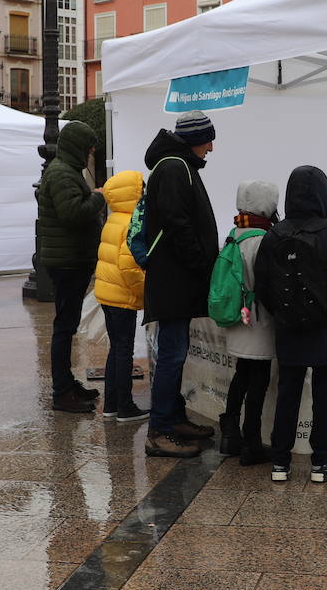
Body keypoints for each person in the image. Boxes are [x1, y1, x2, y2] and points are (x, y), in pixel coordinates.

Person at [256, 165, 327, 484]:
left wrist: (282, 313)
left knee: (287, 392)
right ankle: (320, 463)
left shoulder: (275, 233)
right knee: (322, 395)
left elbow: (262, 285)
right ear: (322, 195)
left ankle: (279, 463)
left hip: (289, 330)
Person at [141, 111, 220, 459]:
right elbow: (177, 225)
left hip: (176, 280)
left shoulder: (177, 164)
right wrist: (200, 263)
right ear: (195, 139)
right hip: (175, 280)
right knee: (172, 356)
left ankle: (173, 419)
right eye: (208, 139)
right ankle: (159, 430)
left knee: (175, 353)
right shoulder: (175, 167)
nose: (212, 147)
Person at [38, 120, 108, 413]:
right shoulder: (61, 173)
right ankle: (61, 392)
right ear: (78, 146)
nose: (91, 152)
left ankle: (67, 384)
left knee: (66, 326)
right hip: (67, 261)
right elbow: (72, 213)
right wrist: (99, 197)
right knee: (64, 327)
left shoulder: (66, 171)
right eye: (89, 147)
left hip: (71, 259)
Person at [218, 180, 279, 465]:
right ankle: (251, 441)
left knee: (242, 373)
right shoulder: (263, 238)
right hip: (258, 320)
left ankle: (229, 433)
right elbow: (267, 284)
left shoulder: (234, 234)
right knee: (259, 379)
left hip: (237, 319)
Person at [92, 169, 148, 423]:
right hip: (121, 295)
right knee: (123, 349)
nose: (145, 193)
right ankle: (125, 406)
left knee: (116, 348)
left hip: (107, 293)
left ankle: (111, 405)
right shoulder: (131, 223)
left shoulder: (113, 220)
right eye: (141, 189)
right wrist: (144, 292)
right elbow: (129, 267)